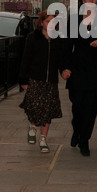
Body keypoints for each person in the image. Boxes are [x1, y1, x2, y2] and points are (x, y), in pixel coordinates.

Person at [61, 0, 97, 156]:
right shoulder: (73, 20)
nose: (91, 0)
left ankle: (84, 140)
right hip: (77, 69)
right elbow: (66, 46)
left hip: (96, 70)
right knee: (77, 107)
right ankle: (77, 130)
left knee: (91, 108)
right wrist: (64, 68)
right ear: (83, 0)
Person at [19, 10, 65, 153]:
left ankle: (43, 138)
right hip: (35, 78)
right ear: (41, 22)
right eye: (47, 21)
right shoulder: (33, 37)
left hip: (50, 81)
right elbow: (26, 58)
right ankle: (32, 127)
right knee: (33, 106)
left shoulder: (57, 39)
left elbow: (59, 59)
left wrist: (64, 70)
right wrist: (23, 80)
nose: (50, 24)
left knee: (47, 111)